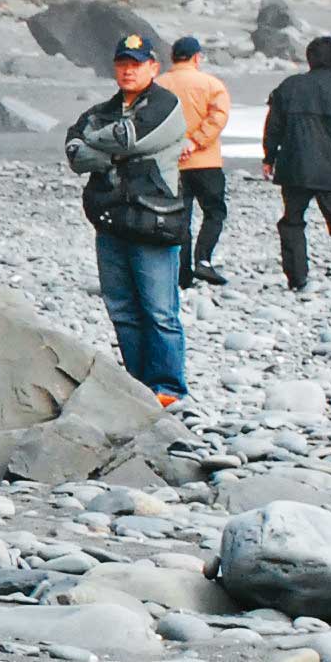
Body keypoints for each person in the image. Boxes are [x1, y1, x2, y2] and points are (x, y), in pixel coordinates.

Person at [63, 32, 192, 404]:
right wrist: (110, 150)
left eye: (136, 64)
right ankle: (138, 386)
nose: (128, 71)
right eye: (122, 64)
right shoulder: (103, 109)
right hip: (112, 221)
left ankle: (168, 387)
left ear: (153, 67)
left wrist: (99, 147)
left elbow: (132, 138)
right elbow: (74, 149)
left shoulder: (165, 105)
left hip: (154, 222)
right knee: (122, 310)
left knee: (159, 311)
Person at [261, 33, 331, 289]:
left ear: (309, 58)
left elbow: (273, 126)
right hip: (330, 169)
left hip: (293, 167)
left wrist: (269, 157)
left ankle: (297, 277)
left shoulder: (289, 87)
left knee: (292, 222)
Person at [162, 35, 233, 284]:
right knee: (214, 212)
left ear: (173, 57)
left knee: (180, 217)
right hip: (206, 162)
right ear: (196, 57)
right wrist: (197, 140)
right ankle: (203, 260)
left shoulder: (159, 85)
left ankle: (182, 273)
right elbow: (219, 116)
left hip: (171, 162)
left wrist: (177, 144)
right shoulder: (212, 84)